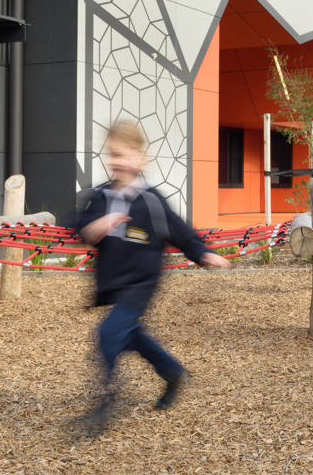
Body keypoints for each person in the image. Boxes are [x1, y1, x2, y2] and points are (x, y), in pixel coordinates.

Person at [74, 119, 231, 429]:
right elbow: (79, 224)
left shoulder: (151, 199)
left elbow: (180, 231)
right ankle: (171, 371)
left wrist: (202, 253)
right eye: (112, 155)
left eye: (124, 154)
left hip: (140, 284)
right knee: (130, 336)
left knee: (107, 335)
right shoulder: (101, 195)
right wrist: (100, 225)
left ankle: (105, 404)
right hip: (111, 281)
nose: (117, 162)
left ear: (141, 158)